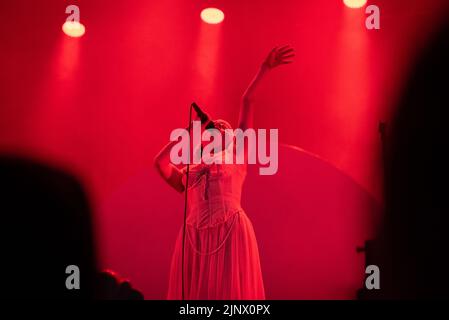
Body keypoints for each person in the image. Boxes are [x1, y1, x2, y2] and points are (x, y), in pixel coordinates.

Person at [154, 46, 295, 299]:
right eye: (213, 125)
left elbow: (247, 101)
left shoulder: (236, 155)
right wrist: (186, 133)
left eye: (223, 126)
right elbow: (160, 165)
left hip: (229, 229)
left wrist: (264, 69)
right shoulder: (192, 169)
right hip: (194, 237)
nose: (217, 125)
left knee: (228, 292)